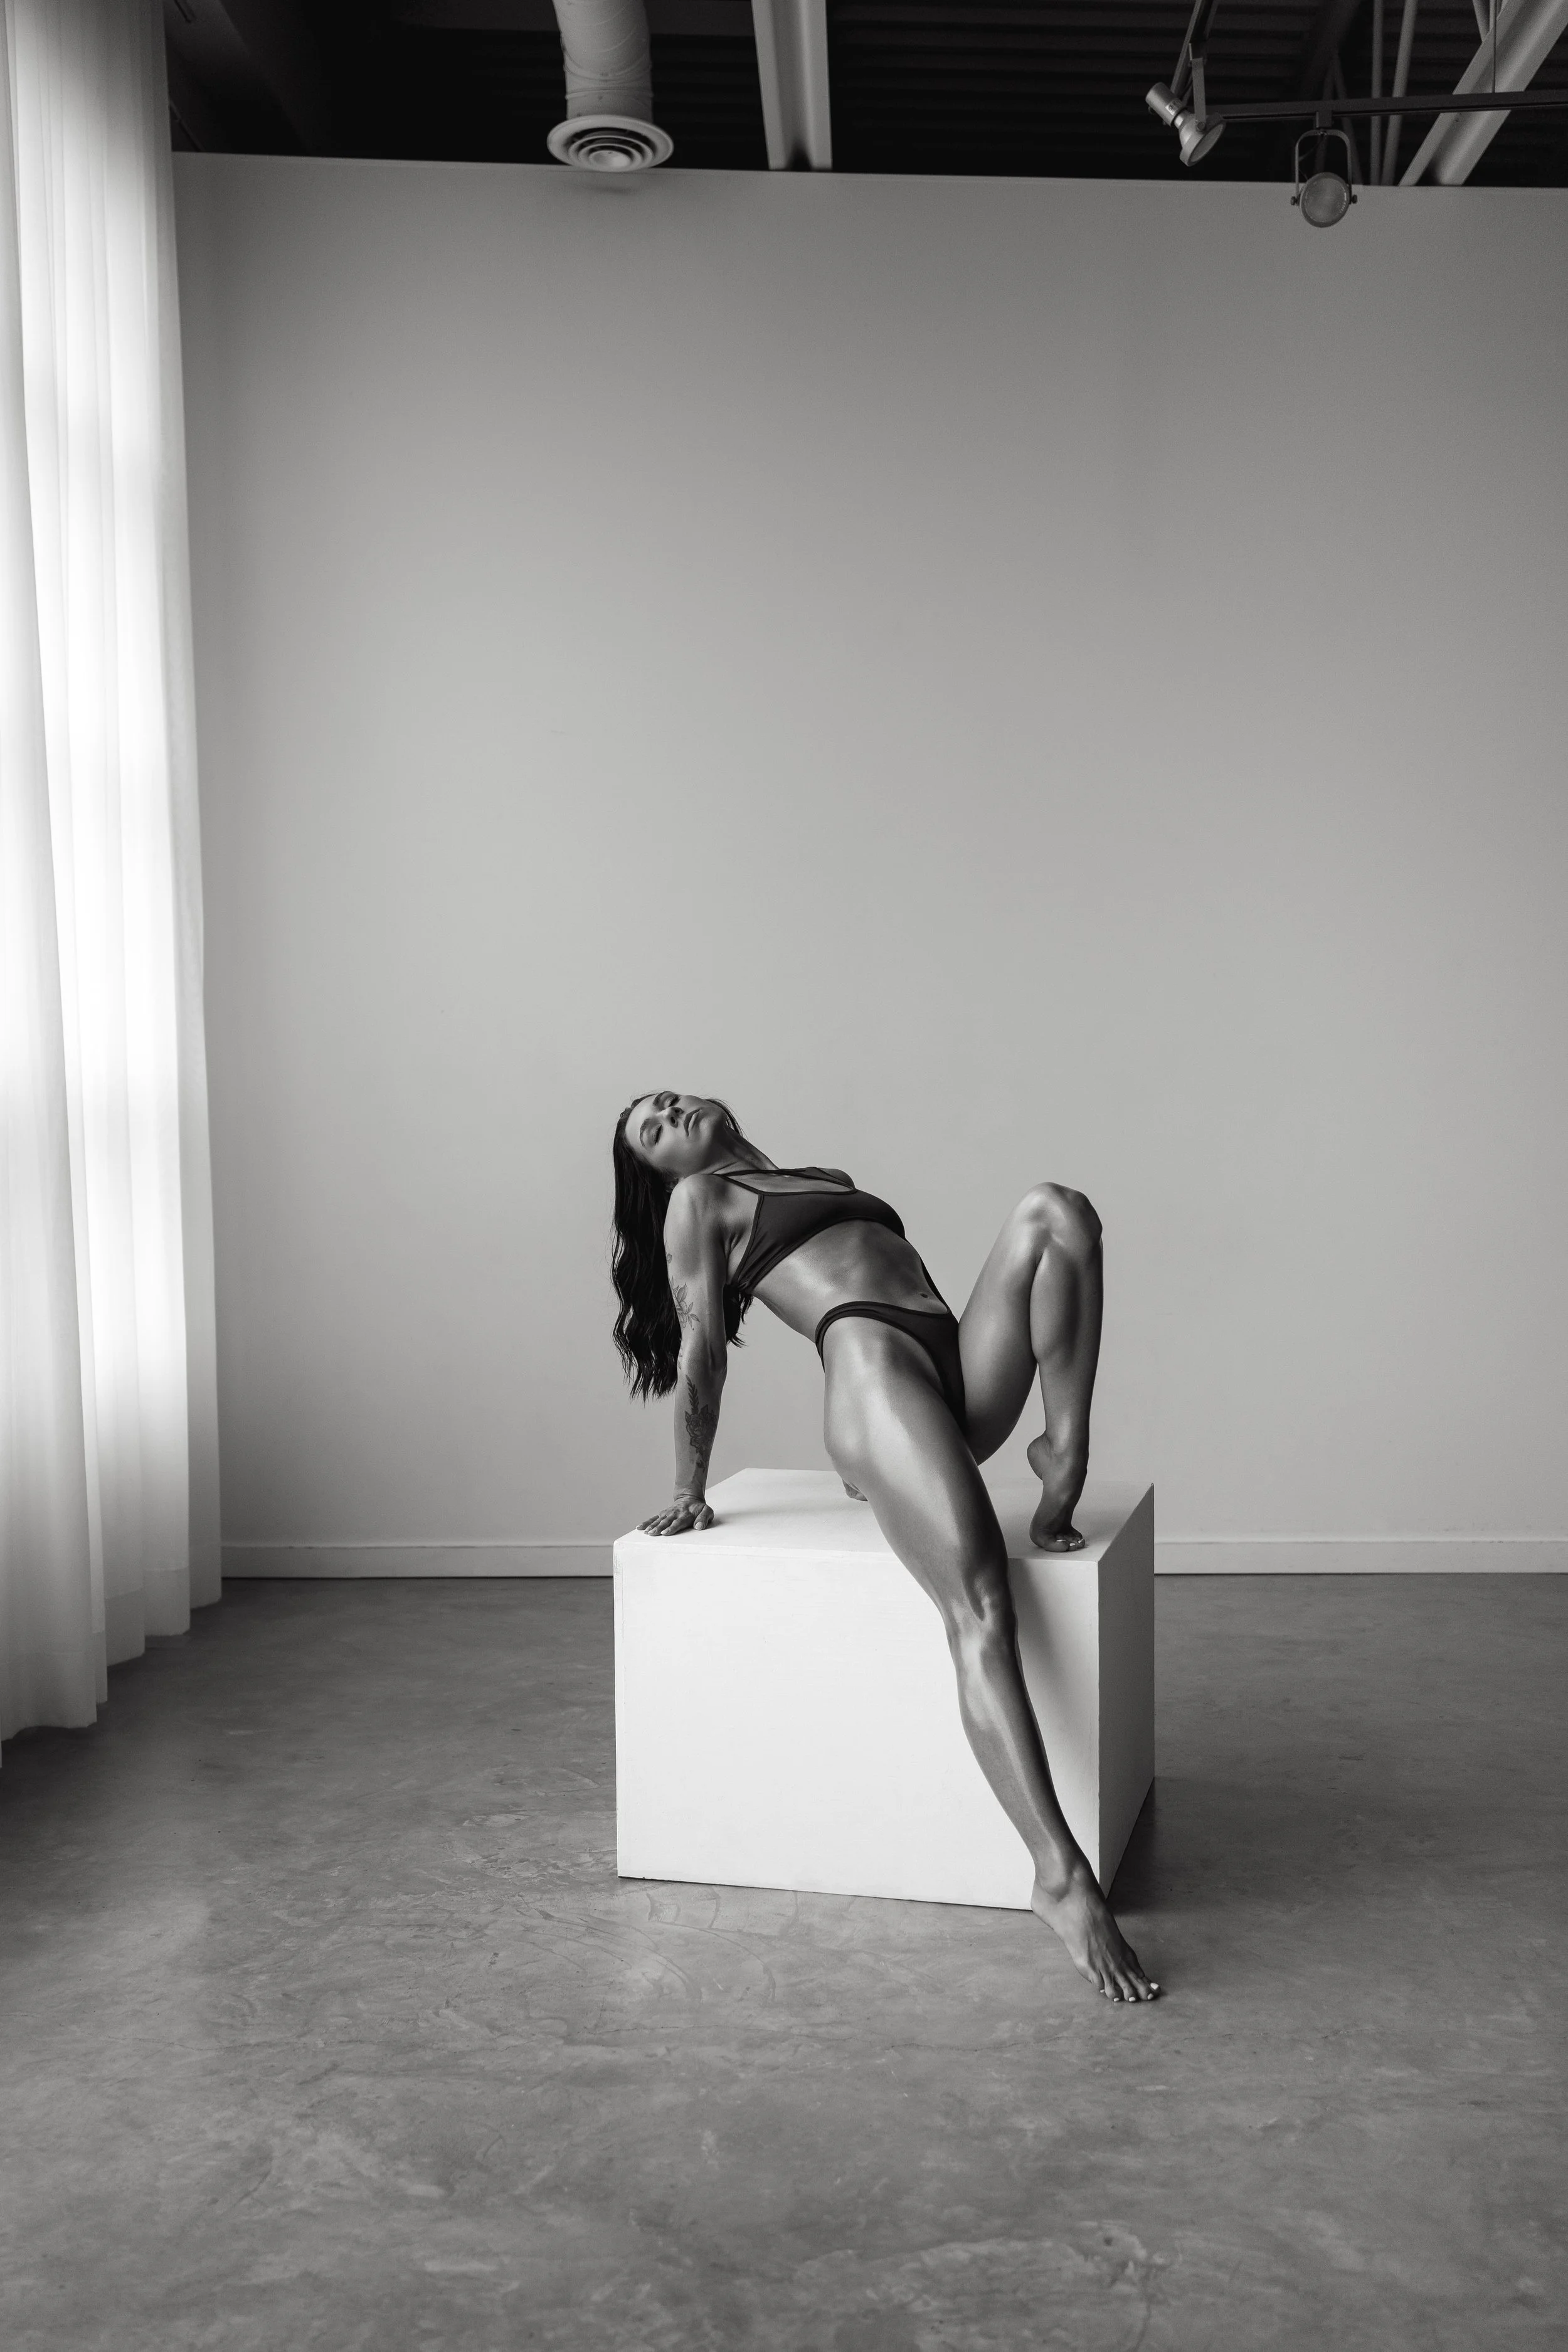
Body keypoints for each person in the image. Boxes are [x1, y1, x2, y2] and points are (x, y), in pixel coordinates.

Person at [610, 1091, 1159, 2005]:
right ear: (660, 1172)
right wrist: (687, 1487)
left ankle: (1063, 1451)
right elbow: (704, 1343)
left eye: (665, 1102)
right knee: (981, 1608)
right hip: (876, 1373)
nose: (666, 1110)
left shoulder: (820, 1177)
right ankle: (1059, 1876)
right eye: (651, 1130)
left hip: (954, 1366)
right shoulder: (698, 1201)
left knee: (1057, 1211)